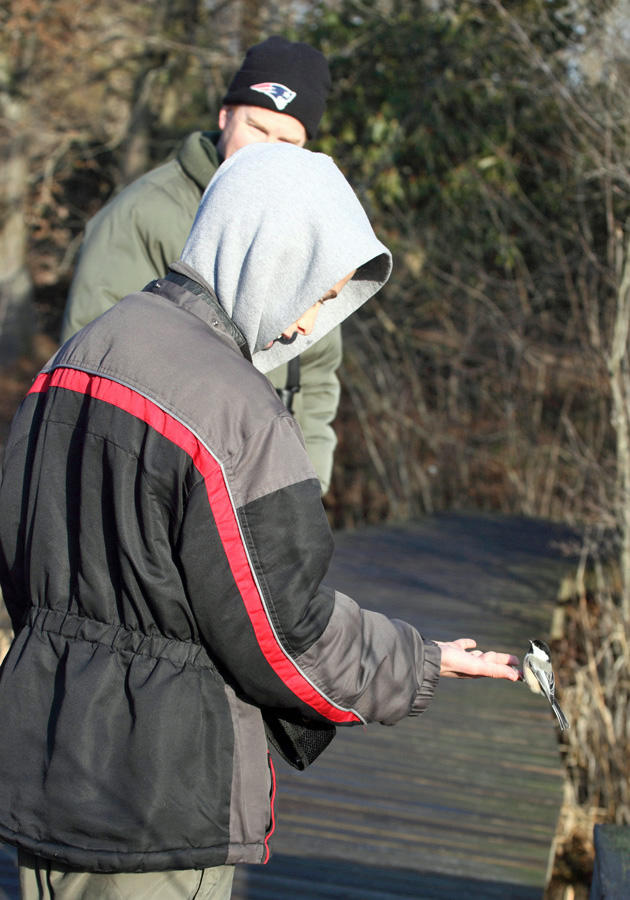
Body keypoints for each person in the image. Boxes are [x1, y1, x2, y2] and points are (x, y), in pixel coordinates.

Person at [0, 144, 520, 900]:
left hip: (46, 770)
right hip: (155, 803)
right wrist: (419, 662)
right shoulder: (233, 410)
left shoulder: (80, 352)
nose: (308, 322)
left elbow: (19, 554)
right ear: (267, 253)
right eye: (315, 289)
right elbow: (287, 636)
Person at [60, 35, 341, 494]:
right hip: (158, 482)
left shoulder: (310, 227)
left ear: (306, 145)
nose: (266, 151)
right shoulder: (142, 214)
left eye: (287, 139)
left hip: (267, 479)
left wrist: (309, 490)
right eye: (256, 128)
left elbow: (317, 372)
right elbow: (91, 367)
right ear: (225, 116)